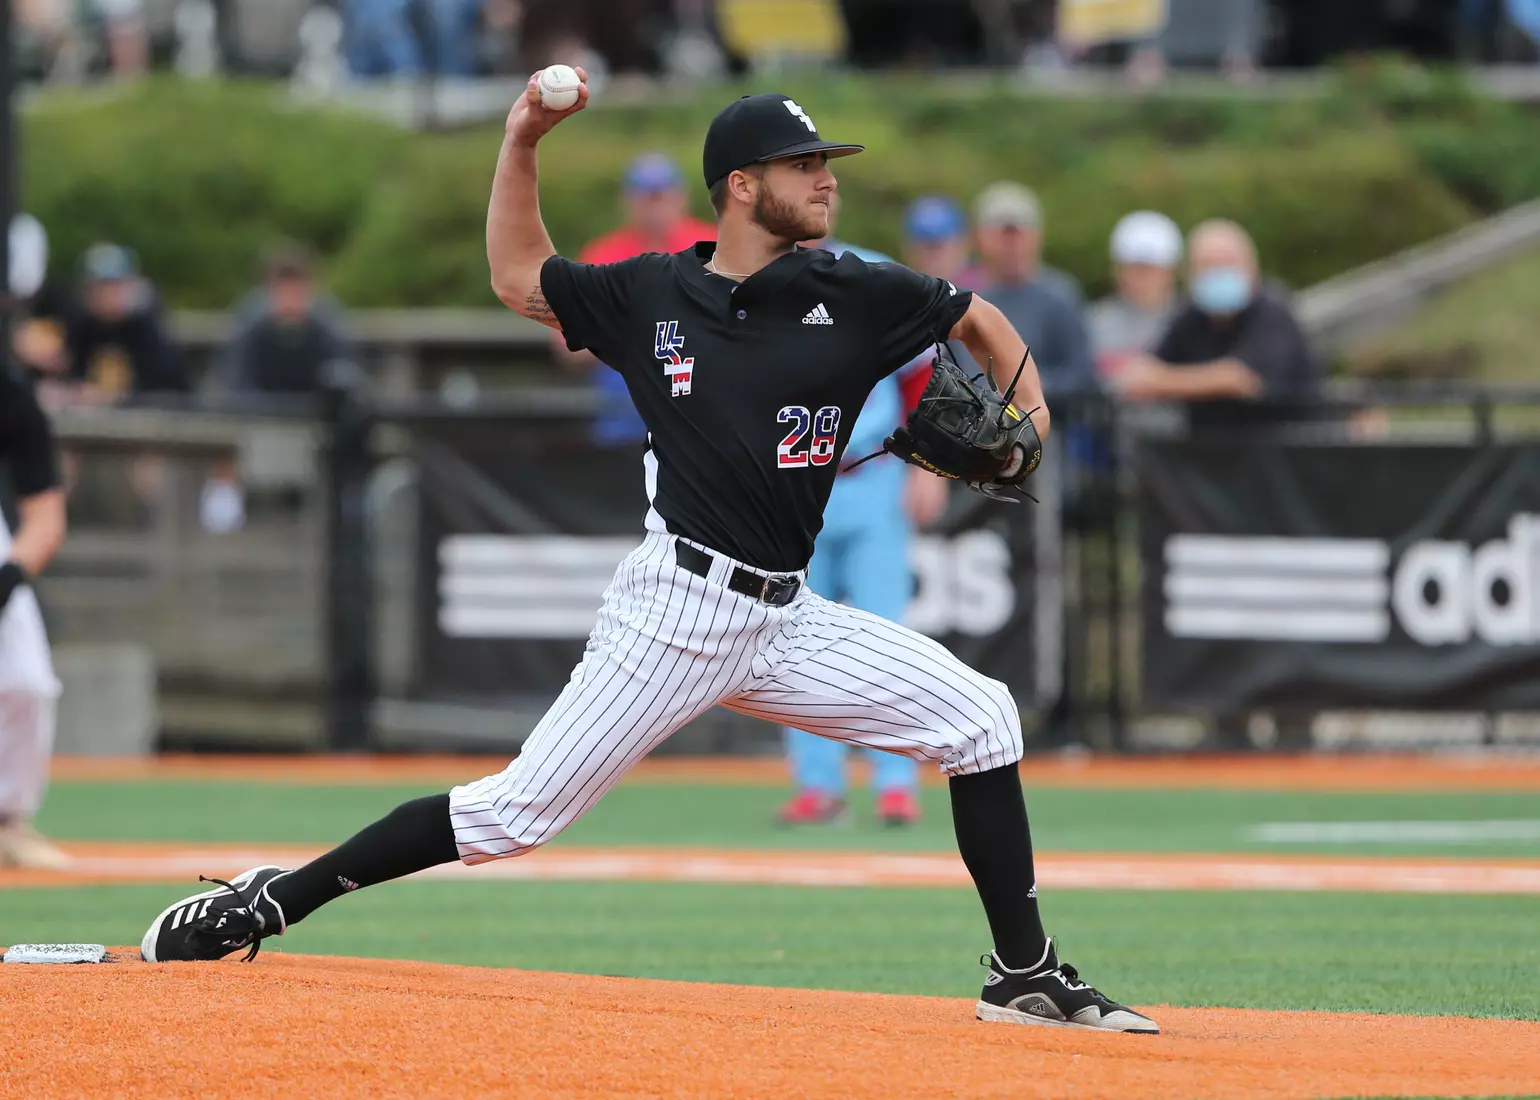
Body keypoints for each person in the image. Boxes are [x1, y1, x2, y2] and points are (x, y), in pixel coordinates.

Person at [139, 78, 1156, 1035]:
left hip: (783, 617)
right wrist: (522, 140)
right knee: (512, 814)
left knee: (979, 717)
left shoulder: (856, 289)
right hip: (676, 608)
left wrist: (1030, 410)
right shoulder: (652, 295)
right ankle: (270, 898)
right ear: (741, 186)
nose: (826, 177)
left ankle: (1022, 975)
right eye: (802, 163)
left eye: (826, 162)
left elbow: (972, 311)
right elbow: (514, 275)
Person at [775, 201, 948, 828]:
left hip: (871, 473)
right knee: (786, 642)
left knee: (887, 637)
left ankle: (895, 781)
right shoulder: (746, 283)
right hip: (789, 486)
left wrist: (929, 464)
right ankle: (818, 785)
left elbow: (923, 374)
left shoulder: (868, 273)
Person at [554, 153, 717, 447]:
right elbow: (568, 348)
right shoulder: (602, 256)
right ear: (627, 201)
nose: (654, 208)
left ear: (681, 197)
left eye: (661, 196)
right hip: (624, 421)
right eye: (645, 198)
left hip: (701, 423)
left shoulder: (711, 246)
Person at [202, 243, 356, 533]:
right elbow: (231, 385)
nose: (289, 300)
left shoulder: (328, 325)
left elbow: (345, 383)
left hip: (315, 430)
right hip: (257, 426)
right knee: (222, 443)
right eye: (282, 290)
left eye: (296, 290)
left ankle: (341, 527)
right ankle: (222, 527)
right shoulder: (250, 324)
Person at [1115, 218, 1319, 431]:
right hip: (1211, 456)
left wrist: (1165, 381)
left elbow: (1241, 379)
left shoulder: (1273, 311)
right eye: (1207, 266)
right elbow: (1142, 374)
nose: (1217, 273)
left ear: (1252, 267)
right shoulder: (1191, 316)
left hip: (1286, 453)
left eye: (1227, 264)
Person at [0, 367, 69, 869]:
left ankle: (6, 823)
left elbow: (45, 513)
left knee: (26, 682)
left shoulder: (9, 391)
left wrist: (10, 576)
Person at [968, 182, 1097, 402]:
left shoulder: (1059, 297)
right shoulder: (970, 298)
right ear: (981, 237)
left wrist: (1032, 388)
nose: (1010, 244)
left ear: (1036, 236)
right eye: (1002, 235)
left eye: (1017, 234)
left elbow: (1082, 374)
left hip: (1043, 426)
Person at [58, 243, 188, 404]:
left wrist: (113, 397)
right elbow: (70, 376)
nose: (108, 294)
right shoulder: (80, 326)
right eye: (100, 287)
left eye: (115, 285)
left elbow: (169, 390)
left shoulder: (149, 330)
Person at [1087, 210, 1183, 377]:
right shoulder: (1095, 322)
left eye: (1150, 269)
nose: (1142, 278)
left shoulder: (1189, 321)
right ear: (1117, 270)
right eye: (1135, 268)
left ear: (1171, 272)